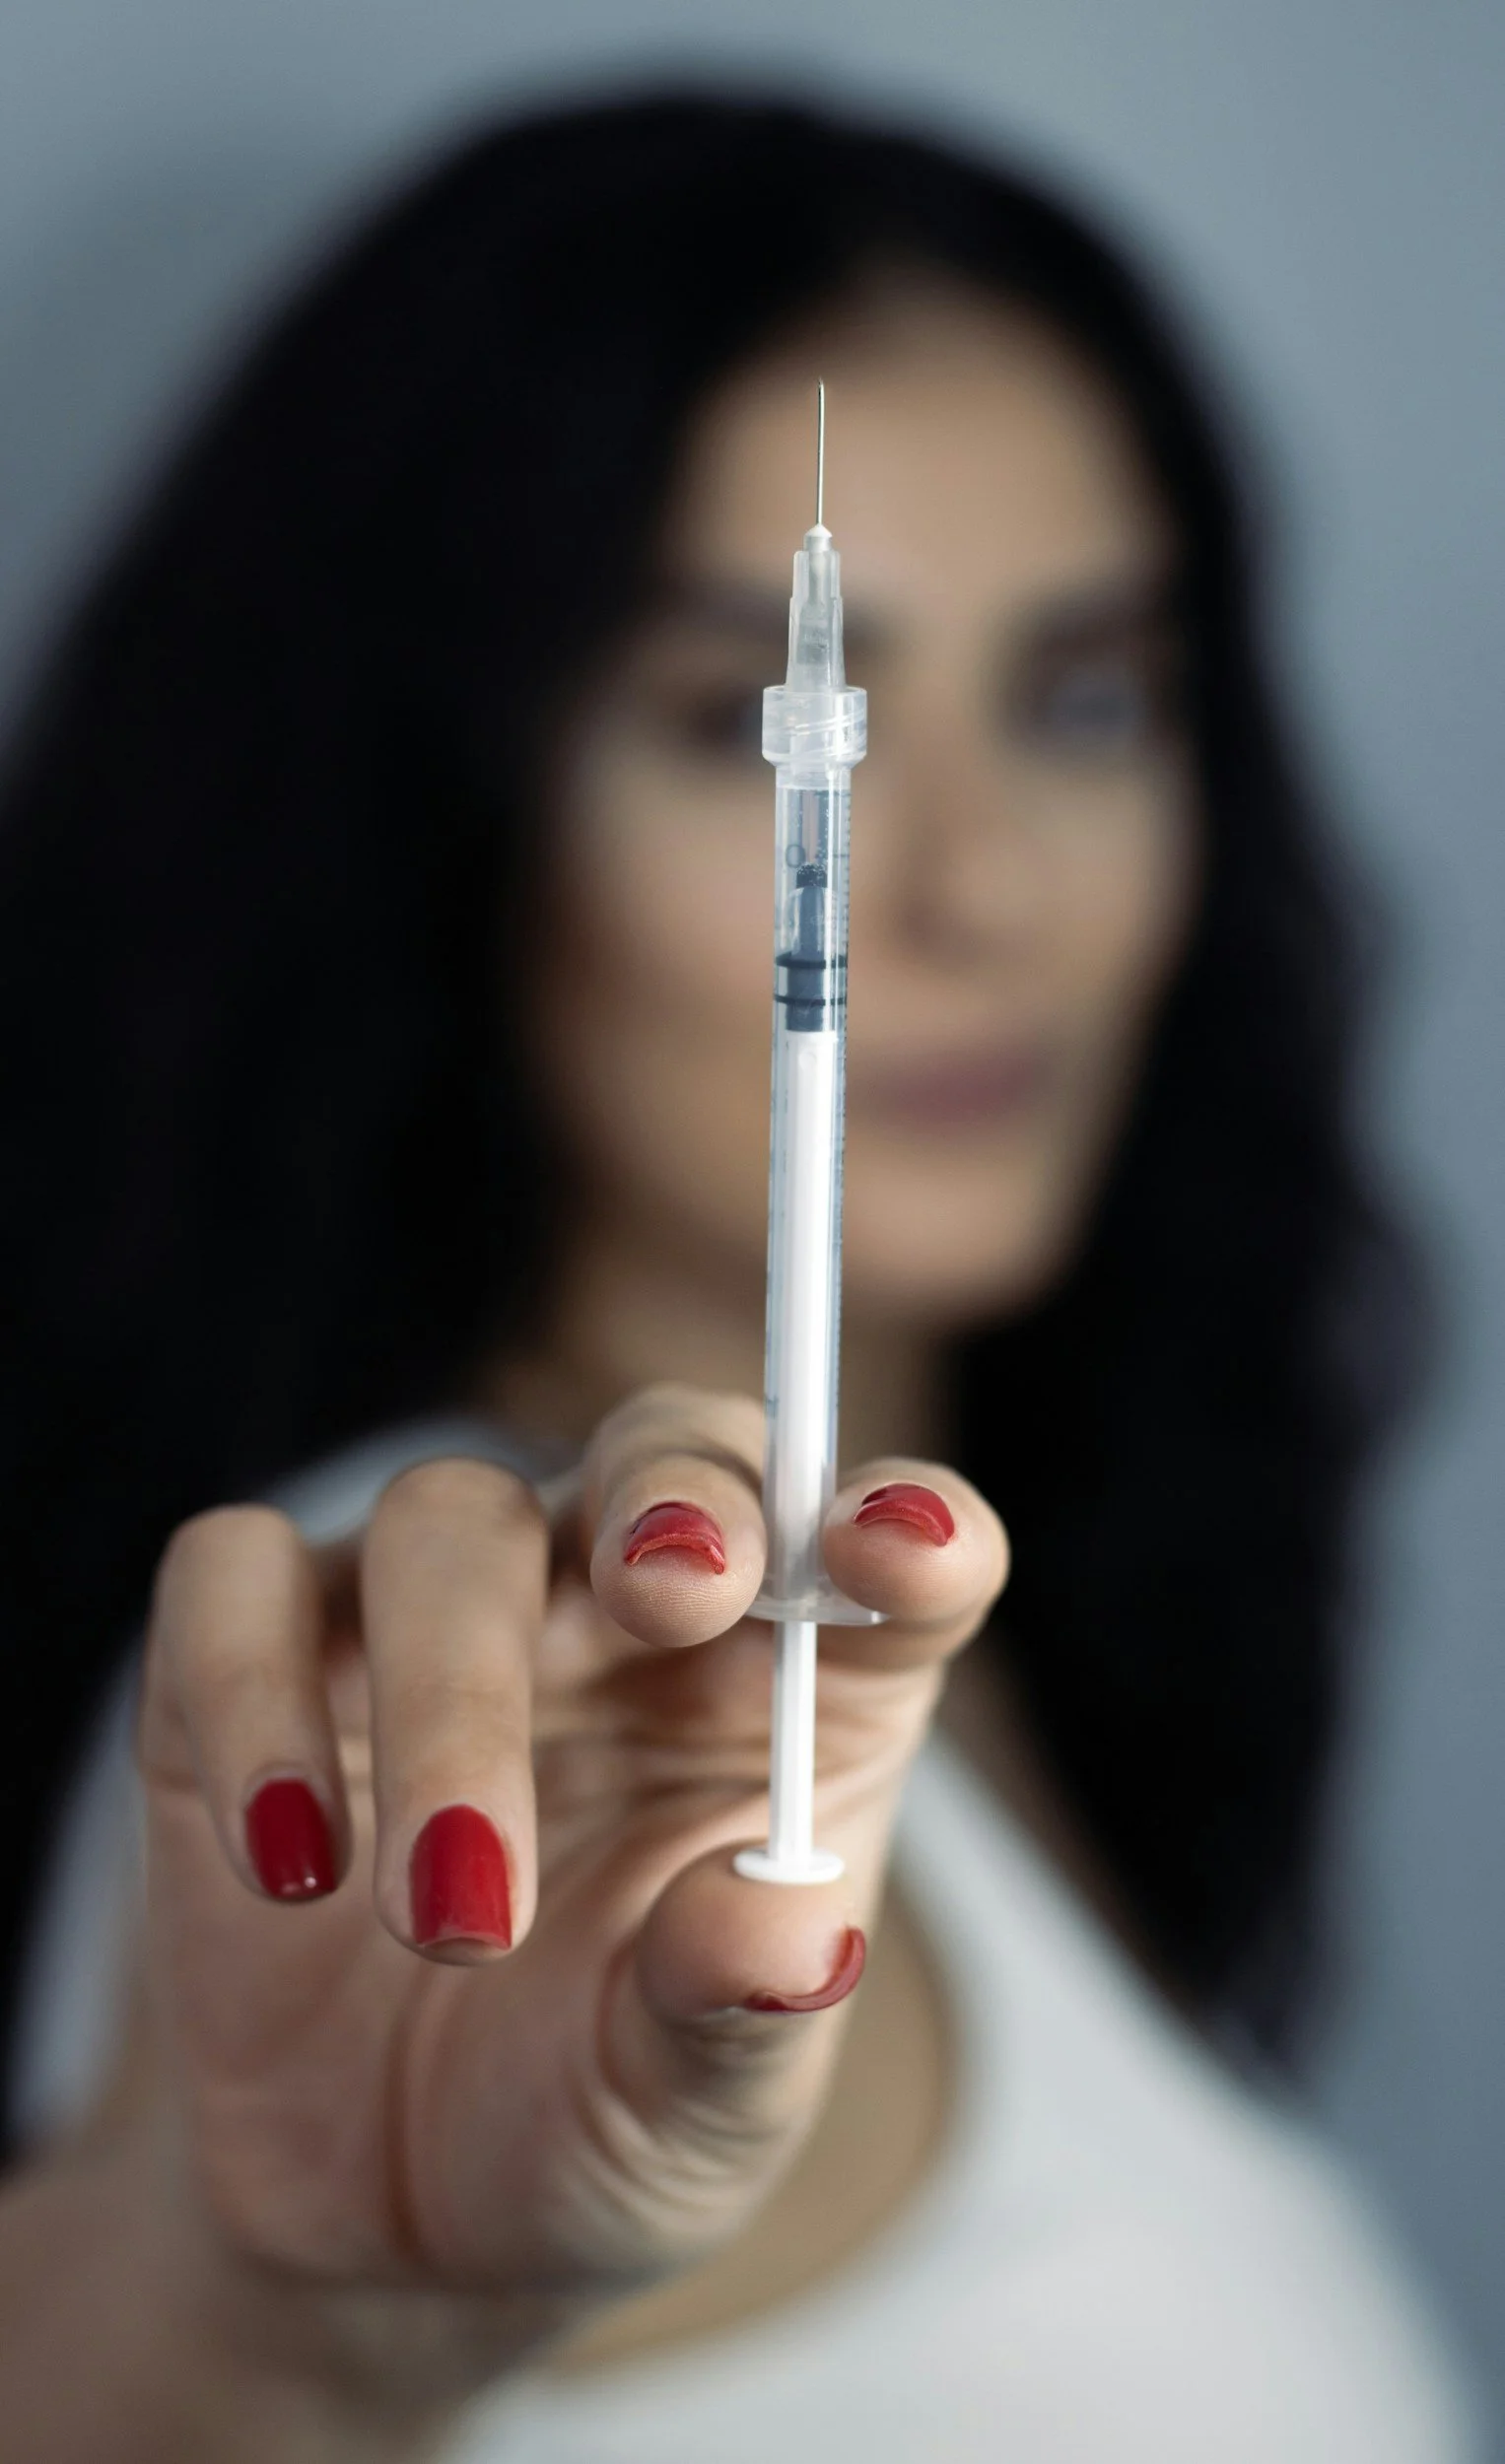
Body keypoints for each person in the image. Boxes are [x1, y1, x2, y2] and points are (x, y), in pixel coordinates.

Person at [0, 89, 1479, 2462]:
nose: (983, 887)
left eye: (1087, 694)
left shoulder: (973, 1657)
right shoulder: (451, 1690)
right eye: (753, 723)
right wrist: (267, 2317)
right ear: (446, 813)